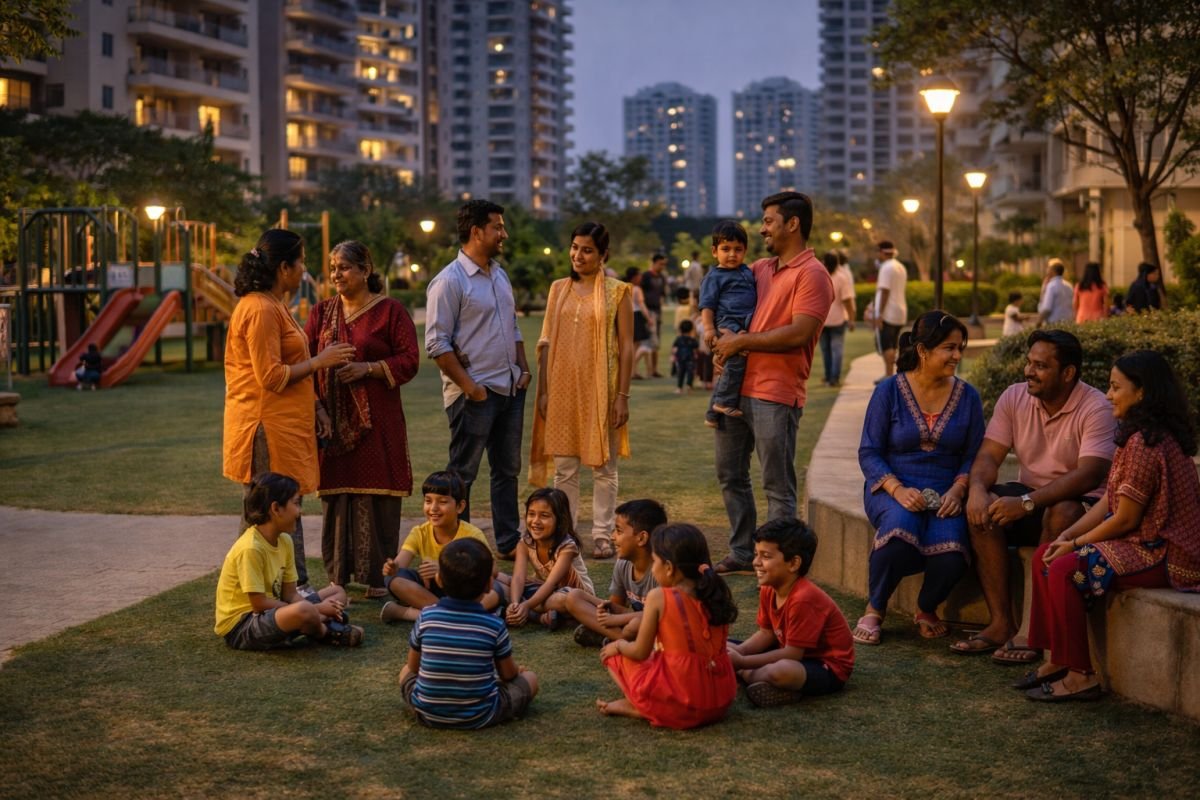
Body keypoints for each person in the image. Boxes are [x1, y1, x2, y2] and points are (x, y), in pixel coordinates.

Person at [1020, 350, 1200, 702]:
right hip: (1140, 543)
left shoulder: (1147, 441)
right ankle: (1056, 659)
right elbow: (1108, 501)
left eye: (1116, 387)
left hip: (1164, 553)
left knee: (1063, 569)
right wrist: (1067, 535)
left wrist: (1075, 545)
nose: (1108, 395)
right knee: (1045, 554)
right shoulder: (1135, 434)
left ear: (1142, 392)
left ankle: (1080, 676)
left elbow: (1126, 518)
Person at [951, 330, 1116, 661]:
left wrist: (1027, 503)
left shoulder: (1096, 406)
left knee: (1062, 511)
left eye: (1040, 366)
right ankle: (1001, 624)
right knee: (984, 510)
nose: (1029, 371)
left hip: (1084, 507)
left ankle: (1032, 631)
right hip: (1032, 497)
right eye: (1029, 363)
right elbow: (989, 456)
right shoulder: (1014, 397)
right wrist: (977, 490)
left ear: (1067, 373)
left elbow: (1089, 474)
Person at [710, 192, 834, 573]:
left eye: (768, 221)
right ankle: (743, 552)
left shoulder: (813, 275)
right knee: (730, 475)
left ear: (792, 224)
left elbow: (800, 332)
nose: (762, 229)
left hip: (776, 394)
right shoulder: (760, 268)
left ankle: (779, 562)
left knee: (777, 486)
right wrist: (717, 339)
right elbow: (726, 303)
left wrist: (740, 342)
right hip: (735, 390)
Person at [223, 230, 355, 590]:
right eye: (301, 263)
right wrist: (320, 361)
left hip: (283, 424)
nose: (304, 271)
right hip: (265, 427)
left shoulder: (273, 304)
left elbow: (287, 364)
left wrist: (316, 407)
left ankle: (274, 587)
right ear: (284, 268)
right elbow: (270, 376)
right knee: (276, 509)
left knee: (270, 509)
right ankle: (288, 588)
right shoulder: (260, 309)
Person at [853, 312, 985, 645]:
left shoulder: (968, 397)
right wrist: (897, 489)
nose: (957, 355)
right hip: (892, 486)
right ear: (923, 351)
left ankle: (926, 608)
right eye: (949, 348)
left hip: (947, 491)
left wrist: (959, 489)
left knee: (952, 553)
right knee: (899, 532)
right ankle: (875, 607)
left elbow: (974, 454)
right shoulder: (889, 391)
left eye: (960, 347)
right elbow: (869, 451)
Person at [305, 241, 419, 599]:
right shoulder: (321, 313)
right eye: (332, 268)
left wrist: (367, 368)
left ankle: (377, 578)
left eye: (344, 267)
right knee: (337, 496)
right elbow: (306, 362)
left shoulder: (390, 312)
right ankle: (338, 576)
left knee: (378, 494)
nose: (336, 274)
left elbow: (410, 360)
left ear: (365, 270)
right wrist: (318, 409)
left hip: (378, 421)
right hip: (332, 423)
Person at [425, 199, 531, 559]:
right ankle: (461, 546)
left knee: (507, 470)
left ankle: (507, 542)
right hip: (474, 395)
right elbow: (436, 343)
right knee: (462, 475)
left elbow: (513, 326)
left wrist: (523, 369)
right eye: (497, 227)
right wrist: (470, 387)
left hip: (509, 387)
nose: (504, 233)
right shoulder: (449, 281)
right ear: (476, 232)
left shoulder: (499, 275)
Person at [529, 222, 634, 558]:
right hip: (562, 389)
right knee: (565, 469)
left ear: (603, 255)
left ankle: (603, 534)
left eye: (587, 250)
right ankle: (567, 534)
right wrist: (543, 391)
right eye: (575, 247)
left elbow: (627, 347)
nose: (578, 255)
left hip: (602, 391)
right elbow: (545, 342)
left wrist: (622, 397)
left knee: (604, 468)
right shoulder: (558, 289)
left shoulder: (618, 292)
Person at [597, 523, 738, 728]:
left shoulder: (659, 597)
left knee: (613, 657)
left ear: (669, 567)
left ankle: (642, 706)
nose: (653, 569)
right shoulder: (714, 590)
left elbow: (639, 652)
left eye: (654, 562)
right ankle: (651, 704)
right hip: (720, 700)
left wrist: (618, 645)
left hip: (684, 703)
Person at [399, 538, 539, 728]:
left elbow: (413, 667)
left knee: (404, 671)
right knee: (530, 679)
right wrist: (518, 671)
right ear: (489, 584)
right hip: (481, 714)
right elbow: (508, 675)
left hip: (428, 713)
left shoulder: (426, 616)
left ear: (439, 579)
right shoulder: (494, 625)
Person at [214, 472, 363, 650]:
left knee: (337, 592)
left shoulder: (285, 540)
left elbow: (290, 594)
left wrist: (315, 607)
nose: (299, 511)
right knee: (304, 610)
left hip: (274, 611)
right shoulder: (251, 548)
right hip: (243, 625)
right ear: (276, 508)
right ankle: (325, 632)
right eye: (296, 503)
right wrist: (318, 609)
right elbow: (259, 604)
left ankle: (310, 622)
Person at [728, 518, 854, 707]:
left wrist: (743, 662)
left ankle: (743, 675)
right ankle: (757, 680)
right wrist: (739, 652)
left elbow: (793, 654)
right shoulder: (769, 588)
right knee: (723, 645)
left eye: (766, 556)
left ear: (794, 563)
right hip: (785, 650)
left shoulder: (804, 598)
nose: (756, 562)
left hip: (824, 666)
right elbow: (766, 634)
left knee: (782, 671)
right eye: (756, 554)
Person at [380, 471, 502, 623]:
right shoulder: (419, 532)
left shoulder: (472, 534)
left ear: (460, 506)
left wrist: (445, 569)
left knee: (497, 588)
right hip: (431, 591)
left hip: (464, 591)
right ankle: (461, 616)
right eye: (428, 501)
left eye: (442, 502)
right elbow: (400, 565)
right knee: (393, 579)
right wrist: (392, 568)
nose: (433, 508)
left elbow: (493, 570)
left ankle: (411, 613)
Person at [565, 498, 667, 647]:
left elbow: (663, 615)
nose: (612, 536)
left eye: (619, 531)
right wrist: (607, 610)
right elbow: (616, 606)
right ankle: (623, 639)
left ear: (641, 538)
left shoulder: (662, 571)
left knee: (635, 624)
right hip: (635, 621)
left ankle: (620, 640)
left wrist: (615, 619)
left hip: (659, 623)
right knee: (574, 597)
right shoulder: (623, 564)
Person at [505, 488, 595, 628]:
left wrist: (526, 605)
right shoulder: (524, 543)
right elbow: (518, 577)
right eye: (531, 514)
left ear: (560, 520)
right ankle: (544, 616)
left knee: (563, 599)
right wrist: (515, 603)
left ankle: (536, 615)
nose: (536, 521)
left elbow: (551, 584)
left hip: (572, 594)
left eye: (544, 516)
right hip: (544, 591)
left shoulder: (567, 547)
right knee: (500, 580)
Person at [699, 220, 757, 426]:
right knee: (735, 362)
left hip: (745, 323)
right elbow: (707, 306)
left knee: (731, 365)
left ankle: (712, 414)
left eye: (738, 249)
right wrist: (709, 329)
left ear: (745, 251)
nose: (732, 254)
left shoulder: (747, 271)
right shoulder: (714, 277)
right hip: (727, 322)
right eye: (726, 249)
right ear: (714, 251)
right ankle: (723, 402)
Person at [819, 251, 856, 387]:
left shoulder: (819, 277)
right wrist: (851, 319)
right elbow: (848, 300)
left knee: (825, 350)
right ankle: (834, 378)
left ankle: (828, 376)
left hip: (821, 319)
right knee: (836, 350)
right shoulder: (842, 278)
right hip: (838, 319)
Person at [872, 240, 907, 382]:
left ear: (882, 252)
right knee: (893, 344)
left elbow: (885, 291)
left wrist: (880, 314)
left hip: (888, 313)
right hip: (900, 311)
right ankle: (890, 375)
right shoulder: (900, 266)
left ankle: (888, 376)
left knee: (887, 345)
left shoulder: (886, 268)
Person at [625, 267, 655, 380]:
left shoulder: (624, 287)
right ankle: (633, 371)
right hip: (636, 316)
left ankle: (632, 370)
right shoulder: (637, 289)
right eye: (639, 275)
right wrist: (649, 318)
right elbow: (641, 305)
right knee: (635, 346)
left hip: (627, 316)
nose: (641, 277)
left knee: (630, 345)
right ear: (634, 277)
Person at [641, 253, 668, 377]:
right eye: (660, 264)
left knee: (656, 340)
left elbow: (662, 294)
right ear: (654, 263)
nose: (662, 267)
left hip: (657, 311)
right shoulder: (646, 276)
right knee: (648, 341)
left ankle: (654, 370)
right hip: (648, 310)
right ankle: (648, 370)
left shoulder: (662, 277)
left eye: (664, 264)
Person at [1036, 259, 1074, 326]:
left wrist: (1039, 321)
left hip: (1054, 323)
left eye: (1048, 268)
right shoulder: (1069, 286)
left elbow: (1047, 308)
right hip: (1068, 322)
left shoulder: (1051, 286)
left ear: (1052, 271)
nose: (1047, 271)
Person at [671, 319, 700, 395]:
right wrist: (696, 355)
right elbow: (696, 349)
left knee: (681, 373)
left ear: (680, 329)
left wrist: (673, 356)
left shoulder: (679, 339)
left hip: (680, 358)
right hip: (690, 359)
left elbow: (674, 349)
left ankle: (679, 388)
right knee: (690, 373)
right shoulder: (692, 340)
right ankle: (689, 386)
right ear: (691, 329)